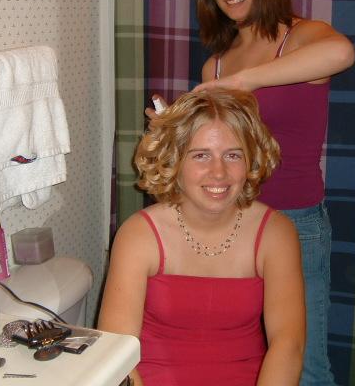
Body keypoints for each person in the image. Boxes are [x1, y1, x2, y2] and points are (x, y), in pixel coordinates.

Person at [190, 0, 355, 386]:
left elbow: (342, 53)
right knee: (240, 356)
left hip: (296, 223)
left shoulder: (299, 37)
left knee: (305, 366)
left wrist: (246, 81)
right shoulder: (215, 64)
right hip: (233, 223)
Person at [99, 89, 305, 385]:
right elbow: (117, 353)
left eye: (233, 155)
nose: (218, 172)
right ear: (174, 160)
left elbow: (288, 346)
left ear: (250, 161)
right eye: (201, 155)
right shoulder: (139, 235)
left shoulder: (275, 234)